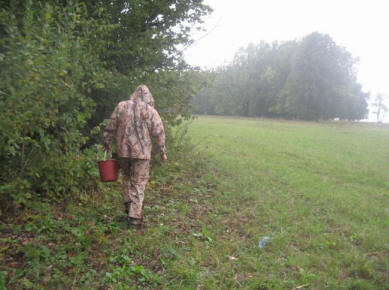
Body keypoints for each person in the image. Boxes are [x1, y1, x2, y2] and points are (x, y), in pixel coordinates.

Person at [103, 85, 167, 226]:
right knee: (138, 182)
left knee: (127, 177)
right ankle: (134, 217)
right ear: (148, 97)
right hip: (142, 154)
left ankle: (128, 204)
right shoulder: (150, 111)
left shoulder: (121, 106)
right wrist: (162, 151)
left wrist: (106, 142)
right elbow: (159, 132)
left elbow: (111, 126)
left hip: (123, 152)